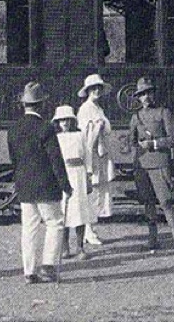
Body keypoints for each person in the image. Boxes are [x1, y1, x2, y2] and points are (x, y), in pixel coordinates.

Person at [7, 81, 73, 284]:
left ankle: (29, 271)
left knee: (29, 227)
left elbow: (14, 160)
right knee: (55, 223)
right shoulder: (46, 128)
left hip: (25, 187)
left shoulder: (13, 130)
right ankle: (48, 267)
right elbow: (56, 160)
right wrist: (66, 186)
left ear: (25, 105)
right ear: (42, 105)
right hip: (46, 186)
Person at [128, 77, 174, 253]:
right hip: (142, 165)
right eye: (142, 94)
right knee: (148, 203)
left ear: (153, 94)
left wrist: (153, 144)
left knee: (166, 203)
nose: (146, 97)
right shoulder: (135, 117)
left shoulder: (164, 113)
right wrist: (137, 145)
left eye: (148, 93)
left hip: (160, 163)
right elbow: (131, 141)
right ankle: (153, 239)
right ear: (138, 97)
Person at [52, 105, 97, 260]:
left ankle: (80, 247)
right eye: (61, 120)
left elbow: (88, 156)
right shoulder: (55, 138)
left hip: (79, 175)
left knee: (79, 212)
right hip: (63, 175)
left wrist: (89, 176)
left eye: (67, 120)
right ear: (57, 122)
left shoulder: (80, 136)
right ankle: (65, 248)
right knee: (64, 212)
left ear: (72, 121)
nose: (64, 123)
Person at [76, 73, 114, 246]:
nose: (97, 90)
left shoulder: (98, 108)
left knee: (97, 192)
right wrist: (95, 127)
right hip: (92, 155)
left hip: (101, 154)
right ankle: (88, 231)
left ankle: (91, 229)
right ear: (88, 91)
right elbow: (85, 135)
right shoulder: (85, 109)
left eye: (99, 88)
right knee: (92, 191)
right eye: (94, 88)